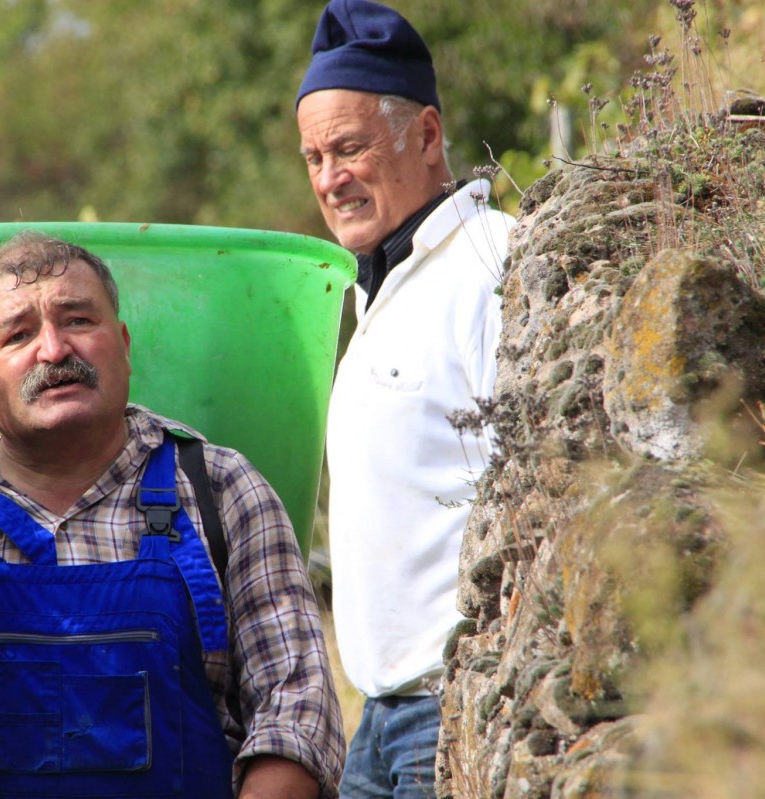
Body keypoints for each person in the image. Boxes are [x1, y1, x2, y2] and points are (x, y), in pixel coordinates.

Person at [0, 231, 345, 799]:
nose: (53, 349)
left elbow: (298, 712)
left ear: (123, 345)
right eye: (18, 335)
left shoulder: (222, 489)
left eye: (77, 320)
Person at [294, 1, 514, 796]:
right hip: (376, 721)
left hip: (450, 708)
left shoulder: (490, 264)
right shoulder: (376, 286)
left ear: (426, 136)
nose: (330, 178)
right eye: (314, 157)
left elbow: (531, 491)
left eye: (349, 148)